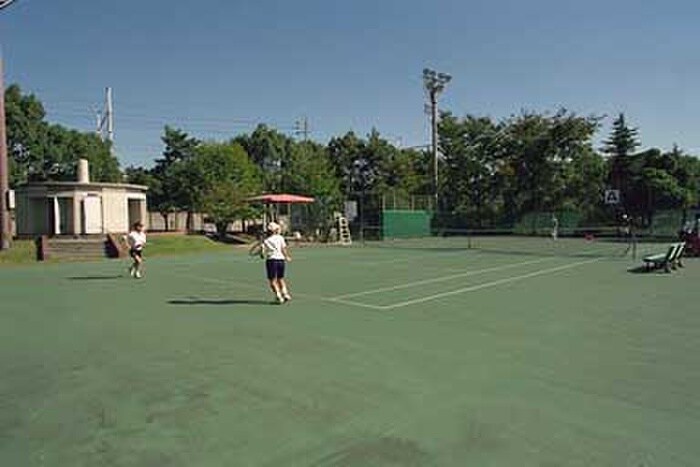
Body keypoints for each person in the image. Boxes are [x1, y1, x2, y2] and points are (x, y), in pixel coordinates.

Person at [260, 221, 292, 304]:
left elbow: (262, 255)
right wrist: (286, 257)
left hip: (271, 260)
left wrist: (262, 253)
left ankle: (278, 296)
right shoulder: (280, 238)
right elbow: (283, 249)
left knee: (272, 280)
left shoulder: (266, 241)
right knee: (280, 278)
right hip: (281, 260)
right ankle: (285, 294)